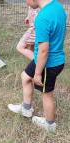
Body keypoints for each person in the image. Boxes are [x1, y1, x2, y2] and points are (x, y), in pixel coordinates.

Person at [8, 0, 67, 132]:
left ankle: (50, 124)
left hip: (48, 64)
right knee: (25, 77)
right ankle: (26, 109)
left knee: (47, 94)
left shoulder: (42, 17)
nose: (26, 3)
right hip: (47, 60)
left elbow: (44, 50)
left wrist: (38, 73)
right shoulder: (57, 6)